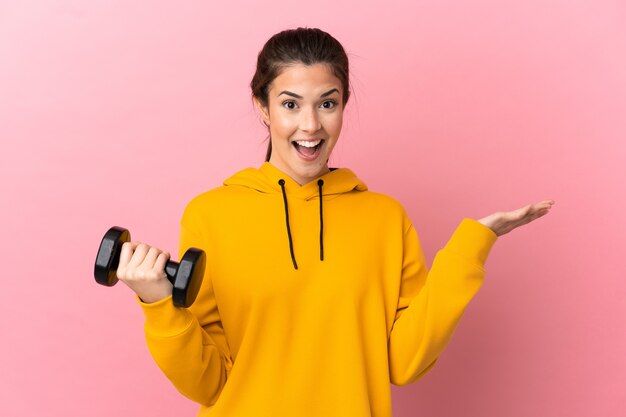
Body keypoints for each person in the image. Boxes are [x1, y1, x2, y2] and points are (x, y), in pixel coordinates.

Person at [115, 27, 555, 417]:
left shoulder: (385, 217)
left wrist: (469, 249)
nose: (310, 125)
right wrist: (157, 303)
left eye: (328, 103)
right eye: (290, 104)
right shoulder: (210, 214)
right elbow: (206, 384)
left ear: (344, 104)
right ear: (263, 108)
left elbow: (403, 362)